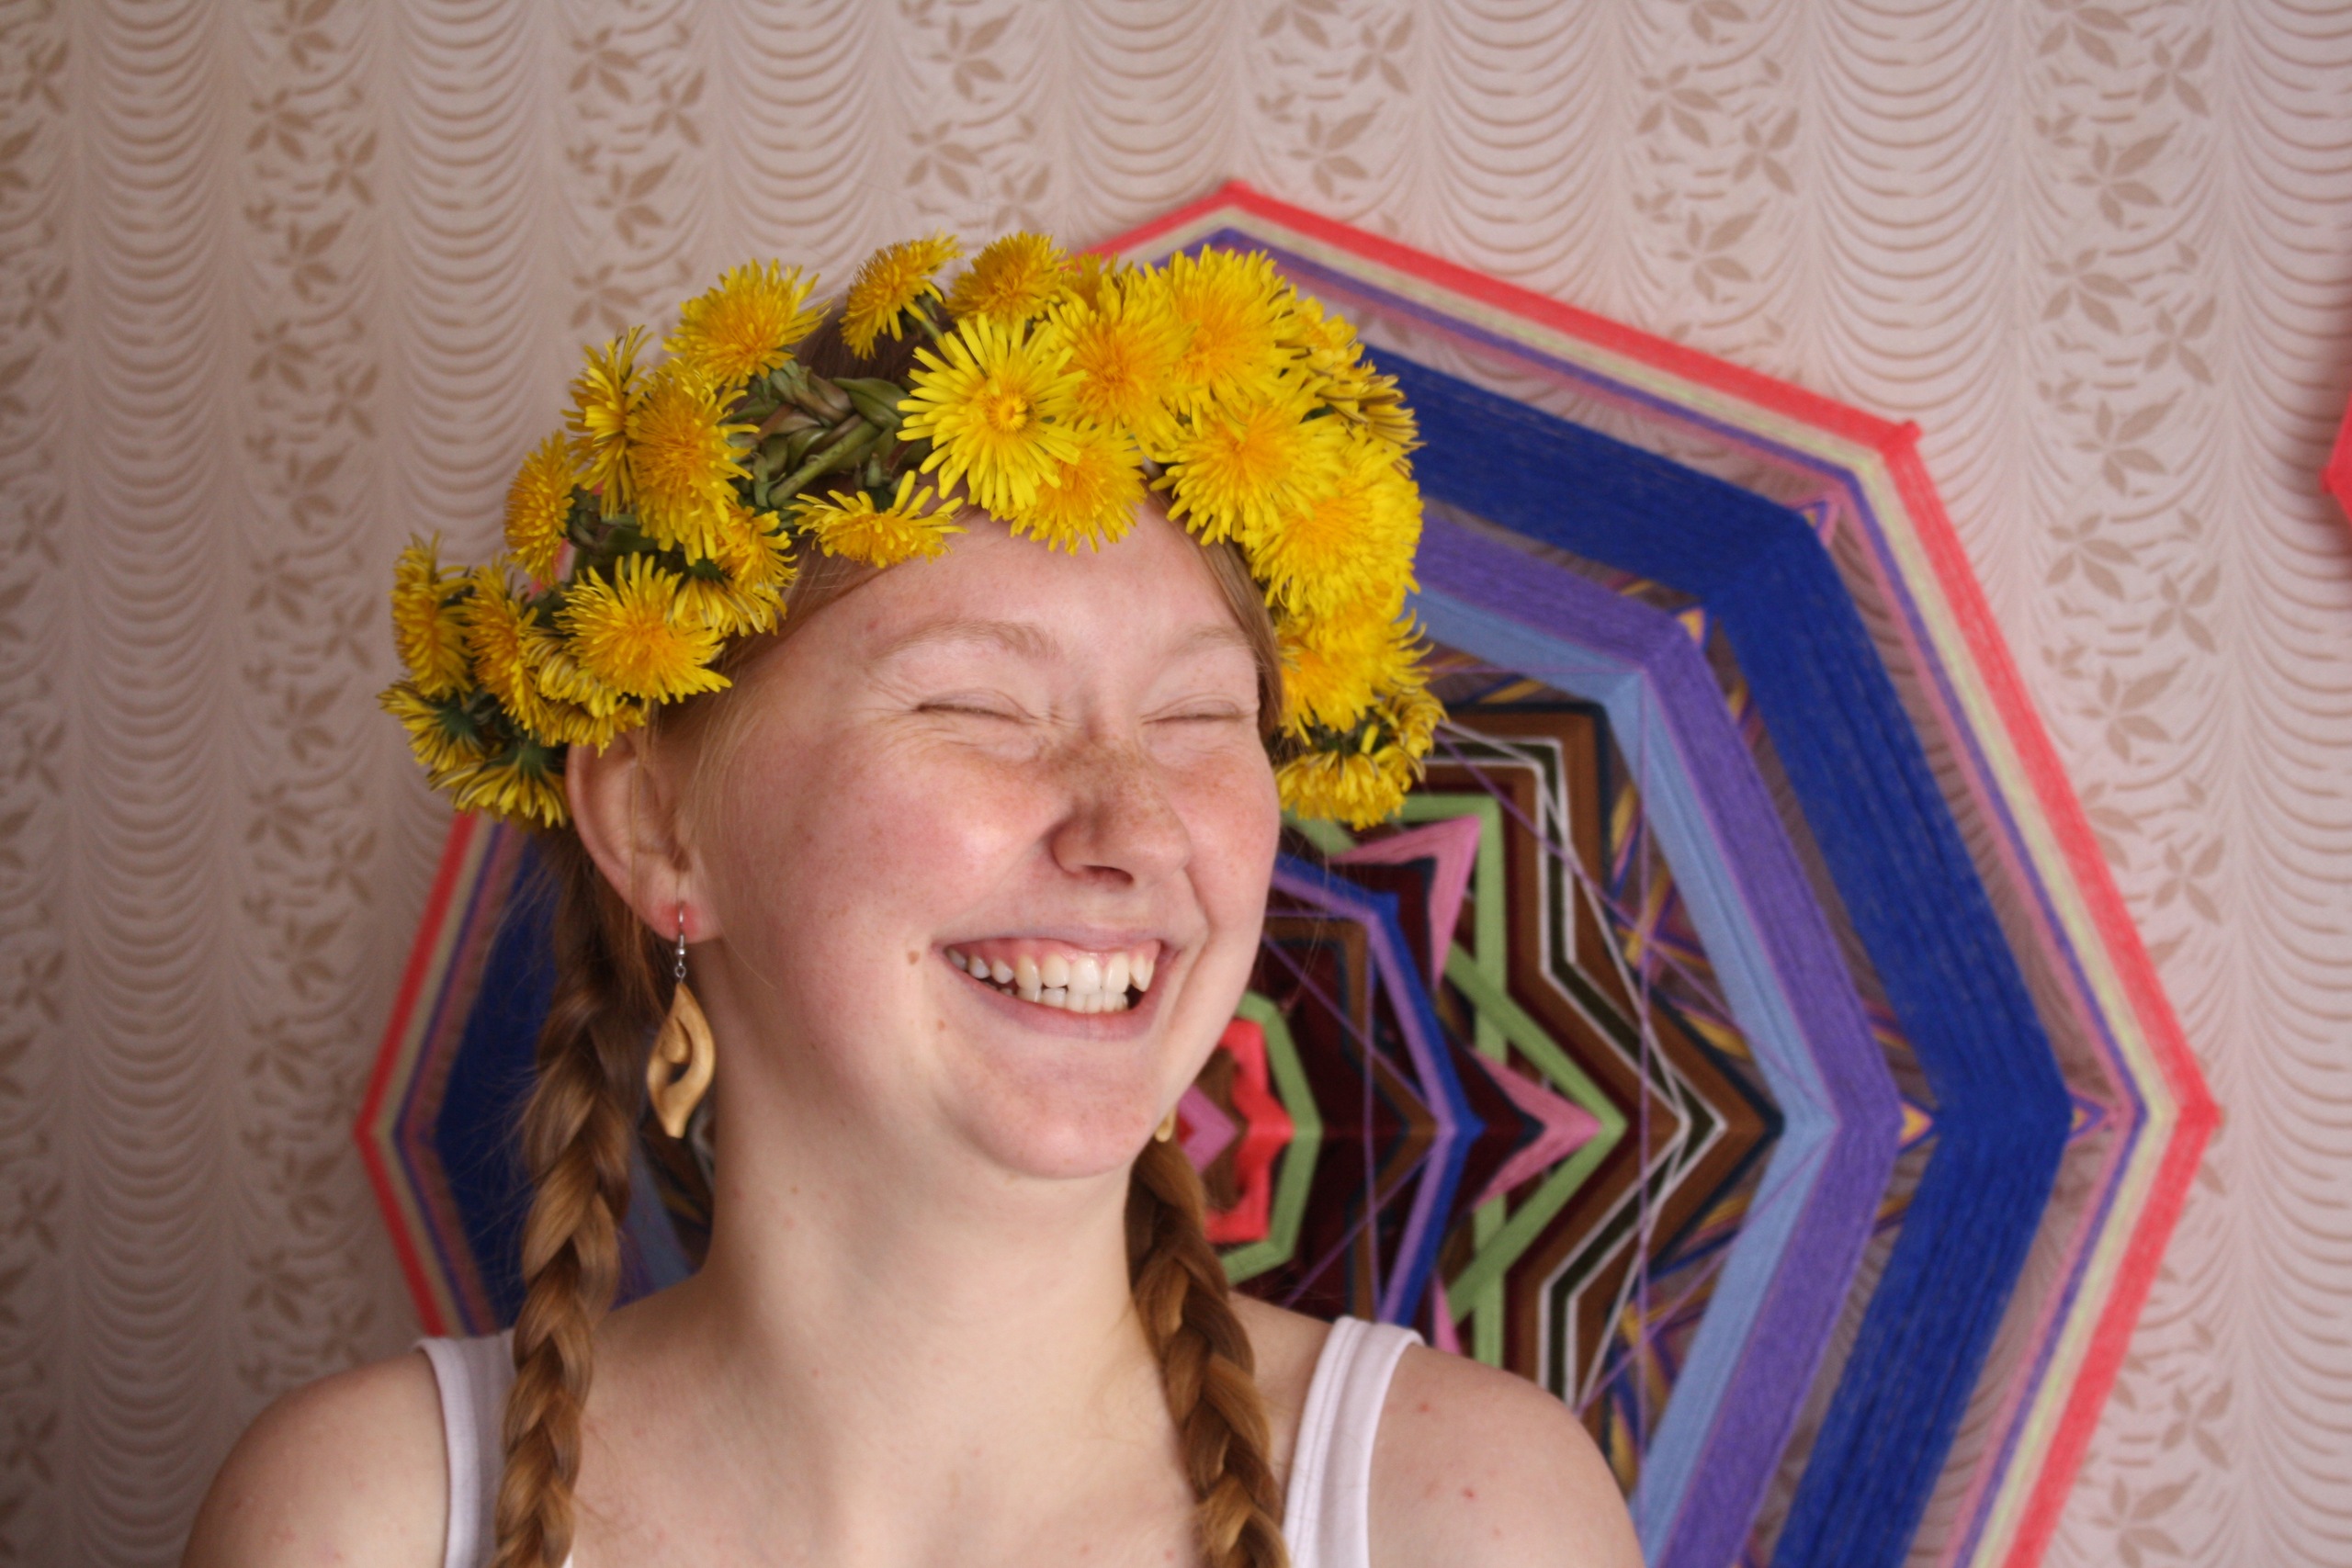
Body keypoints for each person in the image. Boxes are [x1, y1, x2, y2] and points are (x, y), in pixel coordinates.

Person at [186, 234, 1642, 1568]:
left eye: (1201, 717)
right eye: (977, 707)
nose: (1134, 828)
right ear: (655, 825)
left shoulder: (1473, 1520)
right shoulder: (362, 1522)